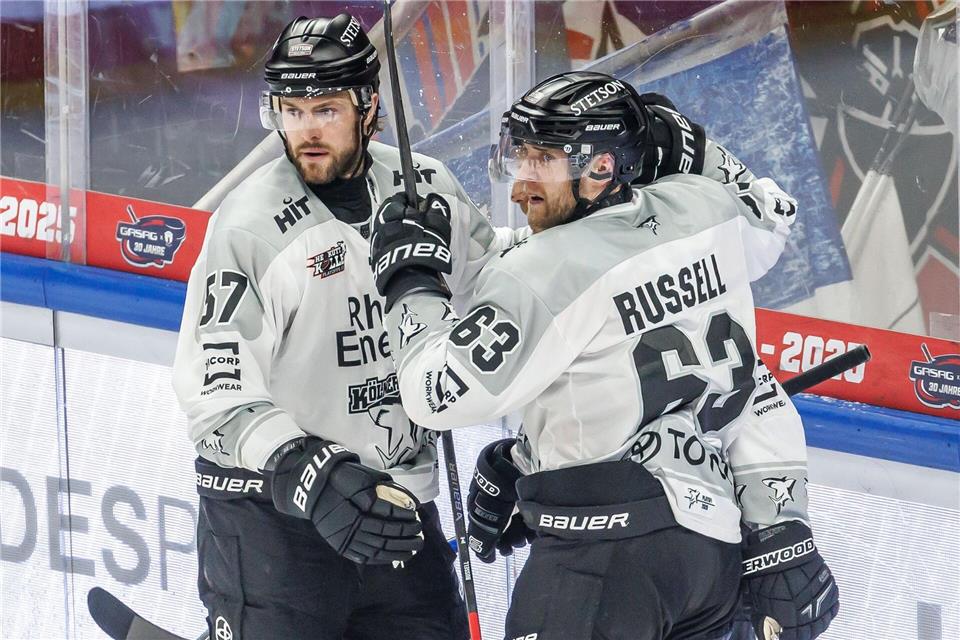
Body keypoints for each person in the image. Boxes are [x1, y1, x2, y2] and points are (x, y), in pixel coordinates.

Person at [370, 71, 839, 640]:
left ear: (600, 168)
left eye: (542, 162)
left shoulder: (543, 274)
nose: (520, 187)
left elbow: (431, 393)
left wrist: (410, 279)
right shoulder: (706, 208)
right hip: (712, 560)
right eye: (520, 159)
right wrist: (690, 145)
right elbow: (774, 214)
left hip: (602, 561)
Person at [172, 13, 525, 640]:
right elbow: (215, 393)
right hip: (273, 514)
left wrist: (591, 242)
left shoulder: (423, 188)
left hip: (394, 504)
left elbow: (499, 281)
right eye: (292, 109)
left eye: (326, 109)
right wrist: (308, 470)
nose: (306, 129)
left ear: (368, 107)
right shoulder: (249, 225)